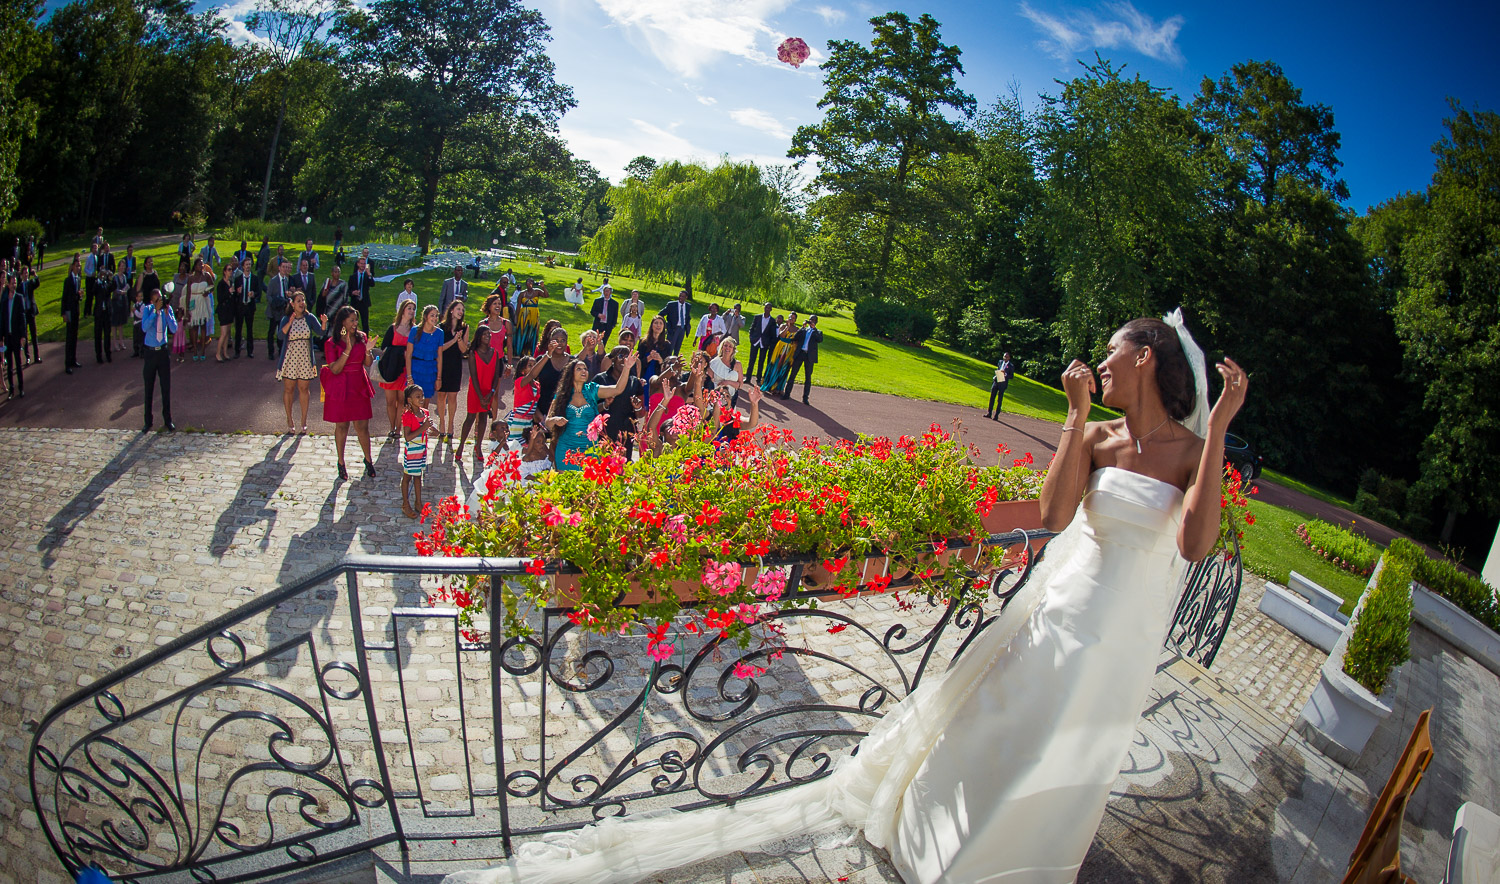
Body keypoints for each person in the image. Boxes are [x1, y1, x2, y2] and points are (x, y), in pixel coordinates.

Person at [442, 311, 1249, 884]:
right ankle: (948, 850)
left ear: (1145, 359)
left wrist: (1216, 432)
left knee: (1070, 742)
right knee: (1011, 719)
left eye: (1111, 355)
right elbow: (1051, 513)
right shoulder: (1102, 434)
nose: (1098, 365)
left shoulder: (1187, 449)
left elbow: (1195, 543)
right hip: (1065, 601)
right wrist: (1075, 418)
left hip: (1120, 622)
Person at [545, 351, 638, 471]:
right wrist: (555, 419)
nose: (584, 371)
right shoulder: (561, 396)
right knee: (566, 487)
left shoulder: (592, 390)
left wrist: (627, 368)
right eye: (579, 369)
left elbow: (617, 389)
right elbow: (548, 423)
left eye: (585, 369)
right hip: (566, 448)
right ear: (570, 373)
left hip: (590, 448)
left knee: (589, 487)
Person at [323, 305, 377, 481]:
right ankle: (341, 462)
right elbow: (335, 369)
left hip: (358, 384)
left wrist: (368, 350)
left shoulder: (361, 338)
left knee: (362, 426)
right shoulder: (332, 343)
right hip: (341, 386)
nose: (355, 324)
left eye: (356, 320)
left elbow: (367, 363)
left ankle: (368, 460)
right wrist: (347, 348)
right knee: (342, 426)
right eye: (352, 320)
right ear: (343, 322)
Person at [276, 290, 324, 434]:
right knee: (289, 389)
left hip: (304, 359)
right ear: (292, 304)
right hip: (290, 358)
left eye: (303, 300)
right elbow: (279, 336)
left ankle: (303, 420)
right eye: (298, 301)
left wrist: (324, 323)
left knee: (304, 389)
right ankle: (289, 420)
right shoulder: (286, 319)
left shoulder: (309, 318)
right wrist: (290, 322)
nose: (302, 303)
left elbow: (320, 333)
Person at [456, 325, 503, 462]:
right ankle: (461, 445)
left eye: (489, 334)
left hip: (489, 391)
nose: (488, 337)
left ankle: (478, 446)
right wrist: (480, 396)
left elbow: (496, 376)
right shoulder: (473, 353)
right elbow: (474, 376)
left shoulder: (494, 353)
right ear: (479, 337)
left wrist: (491, 393)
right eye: (484, 334)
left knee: (483, 417)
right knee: (470, 417)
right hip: (475, 390)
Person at [591, 344, 644, 457]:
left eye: (627, 356)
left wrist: (637, 407)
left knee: (623, 469)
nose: (624, 359)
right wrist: (605, 404)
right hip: (605, 432)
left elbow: (640, 413)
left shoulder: (634, 382)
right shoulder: (600, 379)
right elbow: (590, 408)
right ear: (613, 359)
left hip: (625, 433)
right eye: (620, 356)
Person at [138, 286, 176, 431]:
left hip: (163, 352)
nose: (159, 302)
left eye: (160, 299)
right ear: (151, 301)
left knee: (165, 387)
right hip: (150, 353)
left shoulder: (168, 309)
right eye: (156, 300)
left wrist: (167, 314)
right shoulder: (148, 310)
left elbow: (174, 329)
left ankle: (168, 419)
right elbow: (144, 327)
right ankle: (148, 421)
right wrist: (155, 311)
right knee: (149, 387)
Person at [378, 300, 418, 440]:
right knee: (390, 401)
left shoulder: (415, 330)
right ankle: (391, 426)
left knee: (402, 400)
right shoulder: (393, 328)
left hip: (404, 370)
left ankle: (398, 429)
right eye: (409, 308)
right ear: (402, 310)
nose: (412, 311)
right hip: (391, 369)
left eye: (414, 308)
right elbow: (384, 348)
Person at [435, 300, 470, 445]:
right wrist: (454, 339)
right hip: (443, 364)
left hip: (456, 364)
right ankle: (442, 423)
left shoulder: (464, 327)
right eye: (458, 309)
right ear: (451, 310)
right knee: (441, 395)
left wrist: (460, 340)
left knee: (453, 396)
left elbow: (464, 350)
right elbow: (440, 348)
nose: (460, 312)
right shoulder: (441, 328)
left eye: (462, 310)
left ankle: (450, 424)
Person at [399, 383, 436, 519]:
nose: (421, 399)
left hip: (421, 450)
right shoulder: (407, 416)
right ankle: (405, 504)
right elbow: (408, 437)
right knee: (407, 477)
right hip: (412, 451)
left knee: (418, 476)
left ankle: (418, 502)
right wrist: (424, 427)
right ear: (409, 400)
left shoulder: (425, 412)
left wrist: (433, 430)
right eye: (417, 396)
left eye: (422, 396)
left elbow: (427, 430)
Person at [780, 314, 823, 404]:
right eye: (810, 320)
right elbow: (796, 337)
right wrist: (803, 327)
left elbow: (820, 339)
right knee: (793, 374)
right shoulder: (803, 330)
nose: (812, 322)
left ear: (816, 322)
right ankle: (787, 394)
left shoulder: (818, 332)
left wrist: (814, 328)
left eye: (814, 320)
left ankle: (805, 398)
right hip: (800, 354)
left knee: (808, 377)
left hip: (809, 357)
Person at [505, 354, 548, 445]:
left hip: (528, 422)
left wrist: (542, 419)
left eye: (535, 365)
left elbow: (533, 405)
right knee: (513, 445)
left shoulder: (536, 385)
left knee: (526, 445)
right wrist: (547, 355)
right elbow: (532, 374)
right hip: (517, 421)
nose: (533, 368)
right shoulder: (520, 382)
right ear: (522, 370)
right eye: (530, 365)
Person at [405, 304, 445, 400]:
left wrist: (439, 378)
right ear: (425, 316)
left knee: (425, 403)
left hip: (430, 371)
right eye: (432, 315)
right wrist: (409, 377)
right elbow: (409, 354)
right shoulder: (415, 331)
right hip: (416, 370)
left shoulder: (440, 333)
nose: (435, 318)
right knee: (412, 402)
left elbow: (439, 357)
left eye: (436, 316)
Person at [532, 326, 571, 416]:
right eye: (556, 340)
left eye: (563, 340)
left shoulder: (571, 361)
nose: (559, 344)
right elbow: (531, 377)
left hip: (564, 411)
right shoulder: (541, 360)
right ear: (550, 341)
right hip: (542, 411)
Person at [758, 312, 796, 394]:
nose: (791, 319)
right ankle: (770, 386)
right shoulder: (782, 326)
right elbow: (781, 336)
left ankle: (779, 388)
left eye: (793, 318)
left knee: (784, 368)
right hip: (780, 348)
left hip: (789, 350)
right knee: (775, 366)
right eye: (790, 317)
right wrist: (787, 327)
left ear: (795, 320)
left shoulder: (797, 329)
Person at [86, 254, 114, 363]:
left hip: (106, 312)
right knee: (98, 335)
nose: (103, 275)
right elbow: (93, 291)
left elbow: (112, 287)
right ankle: (99, 355)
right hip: (98, 313)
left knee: (107, 334)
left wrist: (110, 278)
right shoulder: (97, 283)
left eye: (104, 273)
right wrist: (98, 278)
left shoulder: (107, 283)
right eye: (101, 273)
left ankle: (108, 354)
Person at [1, 274, 24, 398]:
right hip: (8, 337)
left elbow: (22, 318)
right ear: (8, 285)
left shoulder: (19, 298)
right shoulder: (4, 302)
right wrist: (1, 338)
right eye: (12, 283)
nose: (14, 285)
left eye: (15, 283)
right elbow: (2, 321)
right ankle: (11, 389)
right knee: (9, 365)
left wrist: (23, 336)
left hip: (16, 336)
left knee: (18, 363)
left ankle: (21, 388)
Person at [707, 338, 745, 410]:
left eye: (730, 346)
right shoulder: (714, 362)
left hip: (731, 398)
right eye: (725, 345)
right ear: (722, 347)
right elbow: (709, 380)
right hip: (716, 398)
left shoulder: (737, 364)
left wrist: (727, 382)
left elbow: (740, 385)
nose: (727, 348)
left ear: (733, 350)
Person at [233, 256, 260, 357]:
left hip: (249, 307)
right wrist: (237, 292)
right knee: (238, 330)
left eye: (250, 264)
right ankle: (237, 351)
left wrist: (254, 294)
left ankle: (250, 351)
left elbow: (258, 292)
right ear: (243, 266)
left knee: (250, 329)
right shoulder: (238, 279)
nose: (248, 266)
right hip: (240, 307)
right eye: (246, 265)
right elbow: (234, 294)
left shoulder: (255, 278)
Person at [266, 260, 292, 361]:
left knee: (281, 331)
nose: (285, 269)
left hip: (282, 310)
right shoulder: (273, 281)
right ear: (279, 268)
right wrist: (274, 303)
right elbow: (268, 295)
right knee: (271, 331)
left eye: (286, 267)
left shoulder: (286, 280)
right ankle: (270, 352)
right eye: (283, 267)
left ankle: (281, 350)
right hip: (274, 310)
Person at [512, 279, 544, 359]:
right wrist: (516, 318)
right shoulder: (522, 294)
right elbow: (518, 307)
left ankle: (530, 352)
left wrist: (543, 287)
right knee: (522, 333)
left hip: (534, 316)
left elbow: (546, 295)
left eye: (531, 282)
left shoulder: (537, 291)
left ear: (533, 283)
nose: (529, 283)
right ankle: (520, 352)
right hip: (523, 316)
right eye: (528, 282)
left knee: (532, 333)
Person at [746, 303, 777, 384]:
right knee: (751, 360)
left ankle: (758, 379)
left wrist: (769, 343)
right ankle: (748, 378)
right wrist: (751, 338)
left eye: (769, 308)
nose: (767, 309)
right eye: (766, 307)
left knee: (761, 362)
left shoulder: (772, 321)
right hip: (755, 341)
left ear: (771, 310)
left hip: (764, 343)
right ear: (764, 308)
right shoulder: (757, 317)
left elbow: (772, 334)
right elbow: (752, 328)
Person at [61, 257, 83, 373]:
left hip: (76, 311)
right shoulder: (68, 280)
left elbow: (77, 297)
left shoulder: (79, 279)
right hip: (69, 311)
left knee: (74, 335)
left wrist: (80, 296)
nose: (78, 268)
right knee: (69, 337)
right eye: (76, 266)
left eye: (79, 266)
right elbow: (64, 298)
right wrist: (63, 313)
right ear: (72, 267)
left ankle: (73, 359)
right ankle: (67, 363)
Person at [214, 262, 236, 362]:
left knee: (227, 332)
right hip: (223, 310)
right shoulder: (221, 284)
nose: (230, 272)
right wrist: (229, 292)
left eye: (231, 269)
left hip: (229, 310)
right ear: (224, 272)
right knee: (223, 333)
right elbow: (220, 298)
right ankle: (218, 353)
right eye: (229, 270)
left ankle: (225, 352)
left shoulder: (231, 282)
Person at [659, 290, 691, 355]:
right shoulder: (671, 305)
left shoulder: (688, 306)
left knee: (678, 347)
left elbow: (687, 316)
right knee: (670, 346)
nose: (681, 298)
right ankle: (667, 360)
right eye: (680, 296)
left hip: (682, 328)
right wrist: (665, 325)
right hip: (673, 328)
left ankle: (675, 361)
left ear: (686, 297)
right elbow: (660, 314)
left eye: (683, 296)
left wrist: (687, 326)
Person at [348, 257, 375, 332]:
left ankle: (365, 340)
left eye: (364, 264)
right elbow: (348, 290)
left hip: (364, 302)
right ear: (358, 264)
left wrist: (369, 274)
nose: (363, 265)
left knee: (365, 322)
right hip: (355, 301)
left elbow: (372, 284)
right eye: (361, 263)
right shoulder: (352, 277)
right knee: (353, 321)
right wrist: (353, 292)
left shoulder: (367, 276)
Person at [110, 261, 131, 354]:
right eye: (121, 266)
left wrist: (126, 289)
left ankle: (121, 341)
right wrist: (121, 292)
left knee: (121, 323)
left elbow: (125, 287)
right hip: (115, 302)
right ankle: (115, 343)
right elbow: (114, 289)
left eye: (124, 266)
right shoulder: (115, 277)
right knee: (115, 323)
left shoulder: (125, 277)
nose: (122, 268)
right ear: (118, 267)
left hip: (122, 301)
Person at [987, 351, 1015, 420]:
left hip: (1003, 383)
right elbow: (998, 369)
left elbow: (1011, 376)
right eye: (1004, 356)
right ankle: (989, 413)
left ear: (1009, 358)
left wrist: (1005, 374)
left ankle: (996, 415)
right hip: (996, 381)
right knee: (992, 397)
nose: (1005, 358)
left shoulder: (1011, 366)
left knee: (999, 400)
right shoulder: (1000, 362)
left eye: (1006, 357)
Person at [22, 266, 41, 364]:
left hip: (31, 312)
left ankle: (37, 356)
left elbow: (37, 284)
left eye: (27, 273)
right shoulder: (19, 286)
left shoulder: (30, 283)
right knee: (25, 336)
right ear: (21, 275)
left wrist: (35, 275)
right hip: (24, 314)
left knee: (34, 335)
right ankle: (27, 357)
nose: (26, 275)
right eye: (24, 273)